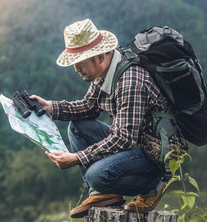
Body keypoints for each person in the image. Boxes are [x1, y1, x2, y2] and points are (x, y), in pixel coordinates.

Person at [30, 18, 183, 218]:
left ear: (100, 57)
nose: (76, 69)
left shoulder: (130, 81)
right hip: (135, 144)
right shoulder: (104, 73)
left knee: (96, 175)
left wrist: (78, 158)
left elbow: (123, 138)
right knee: (77, 127)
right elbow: (88, 108)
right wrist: (50, 107)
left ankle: (154, 185)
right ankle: (102, 193)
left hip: (155, 155)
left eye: (80, 63)